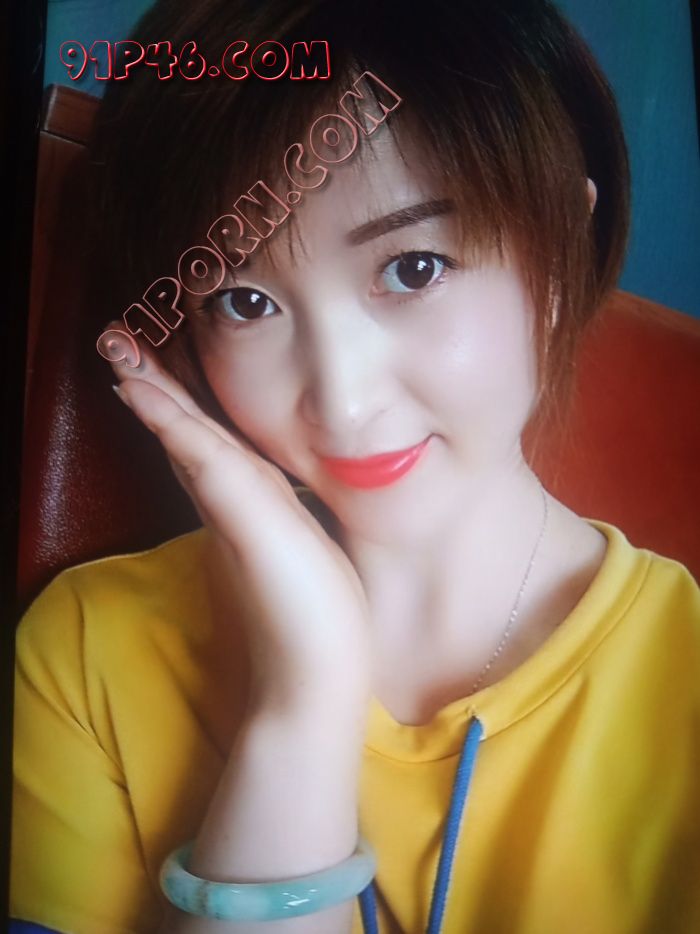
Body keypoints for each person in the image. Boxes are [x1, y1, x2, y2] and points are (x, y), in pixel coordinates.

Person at [10, 1, 700, 932]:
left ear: (562, 257)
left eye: (414, 268)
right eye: (244, 301)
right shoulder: (87, 653)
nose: (340, 402)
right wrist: (309, 691)